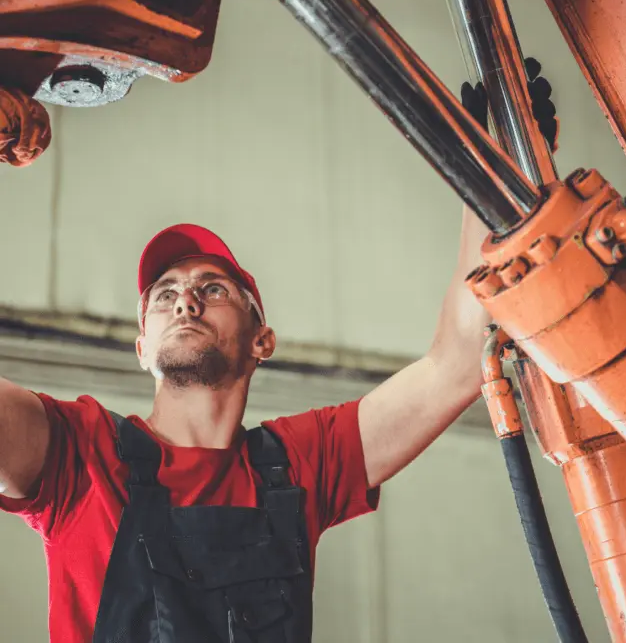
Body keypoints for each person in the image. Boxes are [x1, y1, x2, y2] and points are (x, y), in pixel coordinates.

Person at [0, 78, 556, 642]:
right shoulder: (80, 453)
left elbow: (457, 363)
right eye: (164, 296)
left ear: (261, 341)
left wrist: (489, 182)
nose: (186, 300)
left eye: (213, 289)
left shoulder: (297, 464)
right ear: (142, 349)